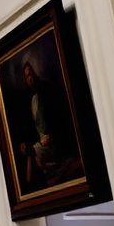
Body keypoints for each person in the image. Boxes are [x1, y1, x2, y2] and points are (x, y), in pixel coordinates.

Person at [16, 51, 81, 188]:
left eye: (31, 74)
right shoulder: (30, 100)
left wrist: (50, 135)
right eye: (26, 76)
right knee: (29, 150)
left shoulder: (47, 92)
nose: (29, 79)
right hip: (40, 141)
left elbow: (57, 117)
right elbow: (31, 127)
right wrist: (24, 142)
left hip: (52, 140)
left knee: (32, 152)